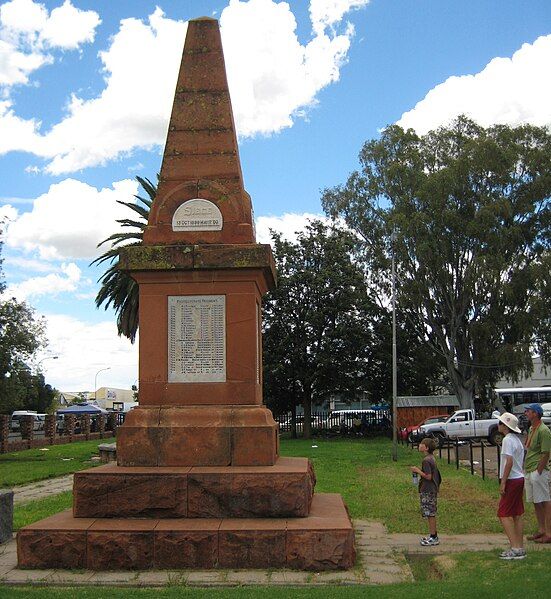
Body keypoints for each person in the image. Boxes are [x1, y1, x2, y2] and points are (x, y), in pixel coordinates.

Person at [496, 412, 526, 559]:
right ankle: (519, 546)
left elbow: (509, 462)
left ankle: (514, 547)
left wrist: (503, 481)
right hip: (519, 477)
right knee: (517, 513)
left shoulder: (508, 440)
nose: (498, 425)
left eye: (501, 423)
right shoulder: (517, 440)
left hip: (512, 479)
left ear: (506, 426)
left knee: (504, 513)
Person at [524, 403, 551, 543]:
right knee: (536, 500)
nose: (526, 413)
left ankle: (549, 532)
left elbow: (546, 452)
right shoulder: (531, 429)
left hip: (538, 470)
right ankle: (541, 529)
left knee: (545, 500)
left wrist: (539, 471)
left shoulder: (544, 431)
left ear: (535, 413)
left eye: (528, 411)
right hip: (529, 468)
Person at [411, 437, 441, 546]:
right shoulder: (431, 458)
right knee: (430, 512)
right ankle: (433, 535)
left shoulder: (426, 461)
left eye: (421, 444)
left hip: (428, 489)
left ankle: (433, 537)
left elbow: (428, 476)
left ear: (426, 447)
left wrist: (417, 471)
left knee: (430, 513)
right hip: (431, 489)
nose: (419, 445)